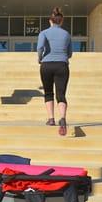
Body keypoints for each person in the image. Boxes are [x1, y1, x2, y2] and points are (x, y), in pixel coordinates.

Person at [37, 7, 72, 136]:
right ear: (61, 22)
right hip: (62, 65)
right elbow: (70, 53)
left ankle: (51, 119)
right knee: (61, 94)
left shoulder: (44, 33)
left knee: (48, 92)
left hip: (46, 64)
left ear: (50, 21)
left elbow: (40, 47)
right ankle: (62, 118)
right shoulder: (66, 34)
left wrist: (40, 58)